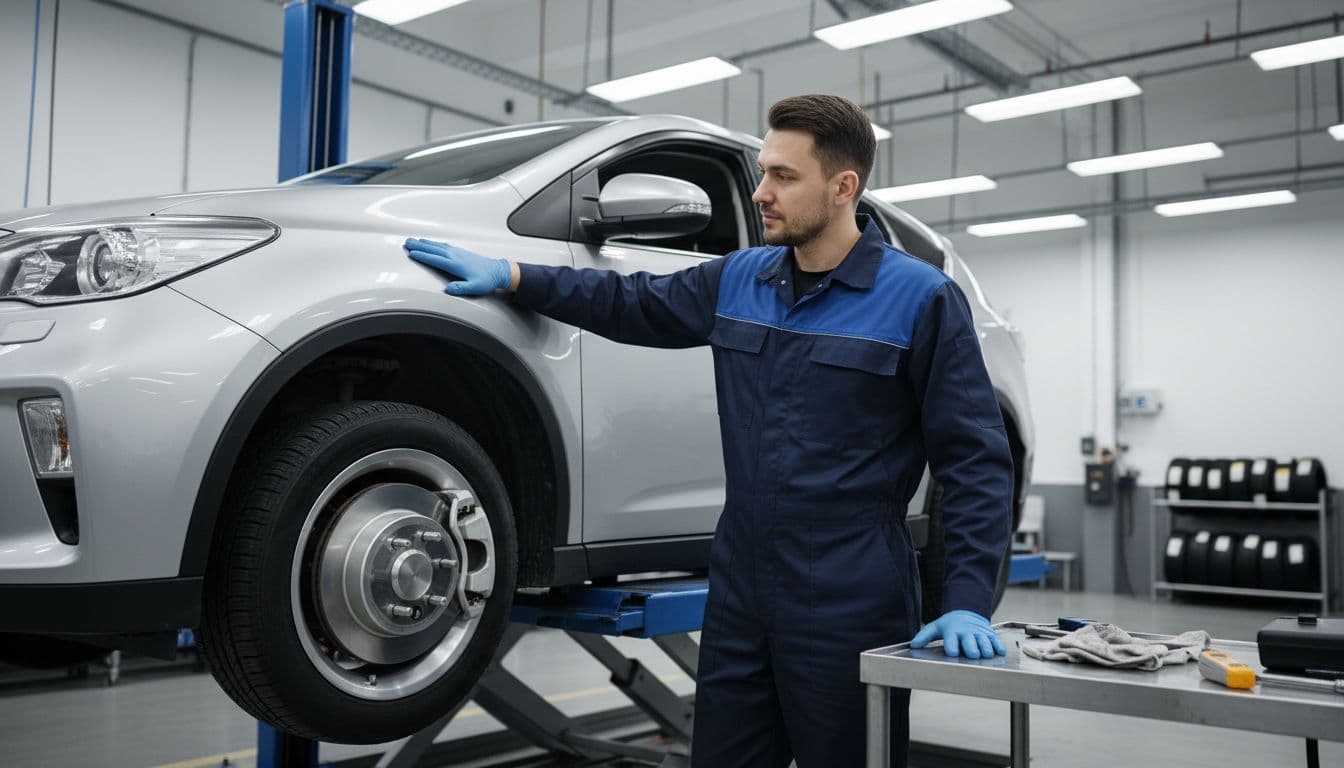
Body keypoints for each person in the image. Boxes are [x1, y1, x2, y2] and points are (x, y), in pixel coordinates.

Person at [404, 94, 1013, 767]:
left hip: (852, 595)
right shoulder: (741, 279)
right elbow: (628, 302)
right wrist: (515, 276)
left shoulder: (921, 299)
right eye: (763, 172)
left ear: (844, 188)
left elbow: (975, 462)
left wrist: (966, 602)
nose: (760, 193)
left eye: (783, 176)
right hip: (742, 591)